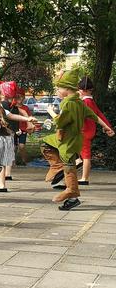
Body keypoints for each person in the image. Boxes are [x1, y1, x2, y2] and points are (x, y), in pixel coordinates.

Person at [42, 69, 114, 210]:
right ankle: (72, 197)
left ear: (67, 89)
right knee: (69, 166)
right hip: (75, 139)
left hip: (67, 140)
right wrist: (106, 126)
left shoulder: (68, 104)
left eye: (59, 88)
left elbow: (60, 122)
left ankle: (65, 180)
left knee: (48, 147)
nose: (57, 90)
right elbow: (94, 115)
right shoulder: (79, 102)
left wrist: (51, 112)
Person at [76, 77, 112, 186]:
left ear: (83, 90)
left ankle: (84, 178)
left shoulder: (85, 102)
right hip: (89, 130)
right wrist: (108, 127)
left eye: (79, 90)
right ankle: (78, 161)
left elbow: (84, 116)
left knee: (86, 156)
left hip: (84, 131)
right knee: (80, 151)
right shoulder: (90, 101)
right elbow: (99, 114)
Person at [14, 90, 34, 165]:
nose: (19, 99)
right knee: (14, 147)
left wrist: (31, 127)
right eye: (17, 97)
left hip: (23, 129)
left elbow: (29, 118)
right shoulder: (13, 107)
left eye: (21, 97)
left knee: (21, 146)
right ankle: (13, 162)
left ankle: (24, 161)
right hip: (14, 129)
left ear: (24, 98)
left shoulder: (25, 108)